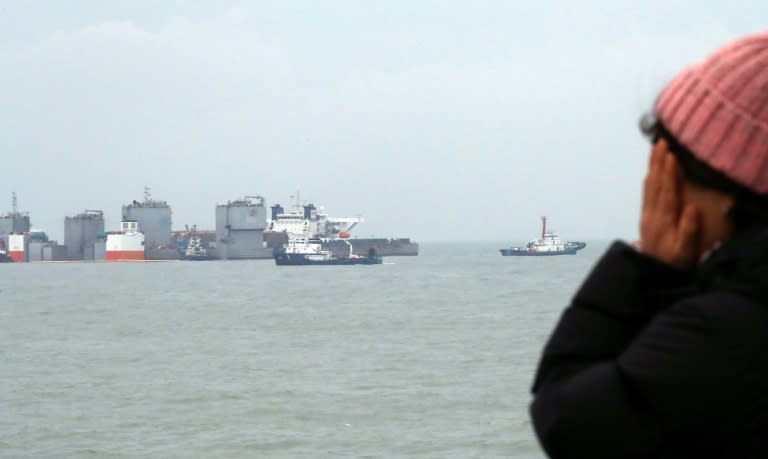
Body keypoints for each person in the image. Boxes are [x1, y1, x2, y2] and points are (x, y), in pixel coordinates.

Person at [529, 31, 768, 458]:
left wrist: (646, 270)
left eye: (669, 169)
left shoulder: (726, 328)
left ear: (730, 186)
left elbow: (569, 422)